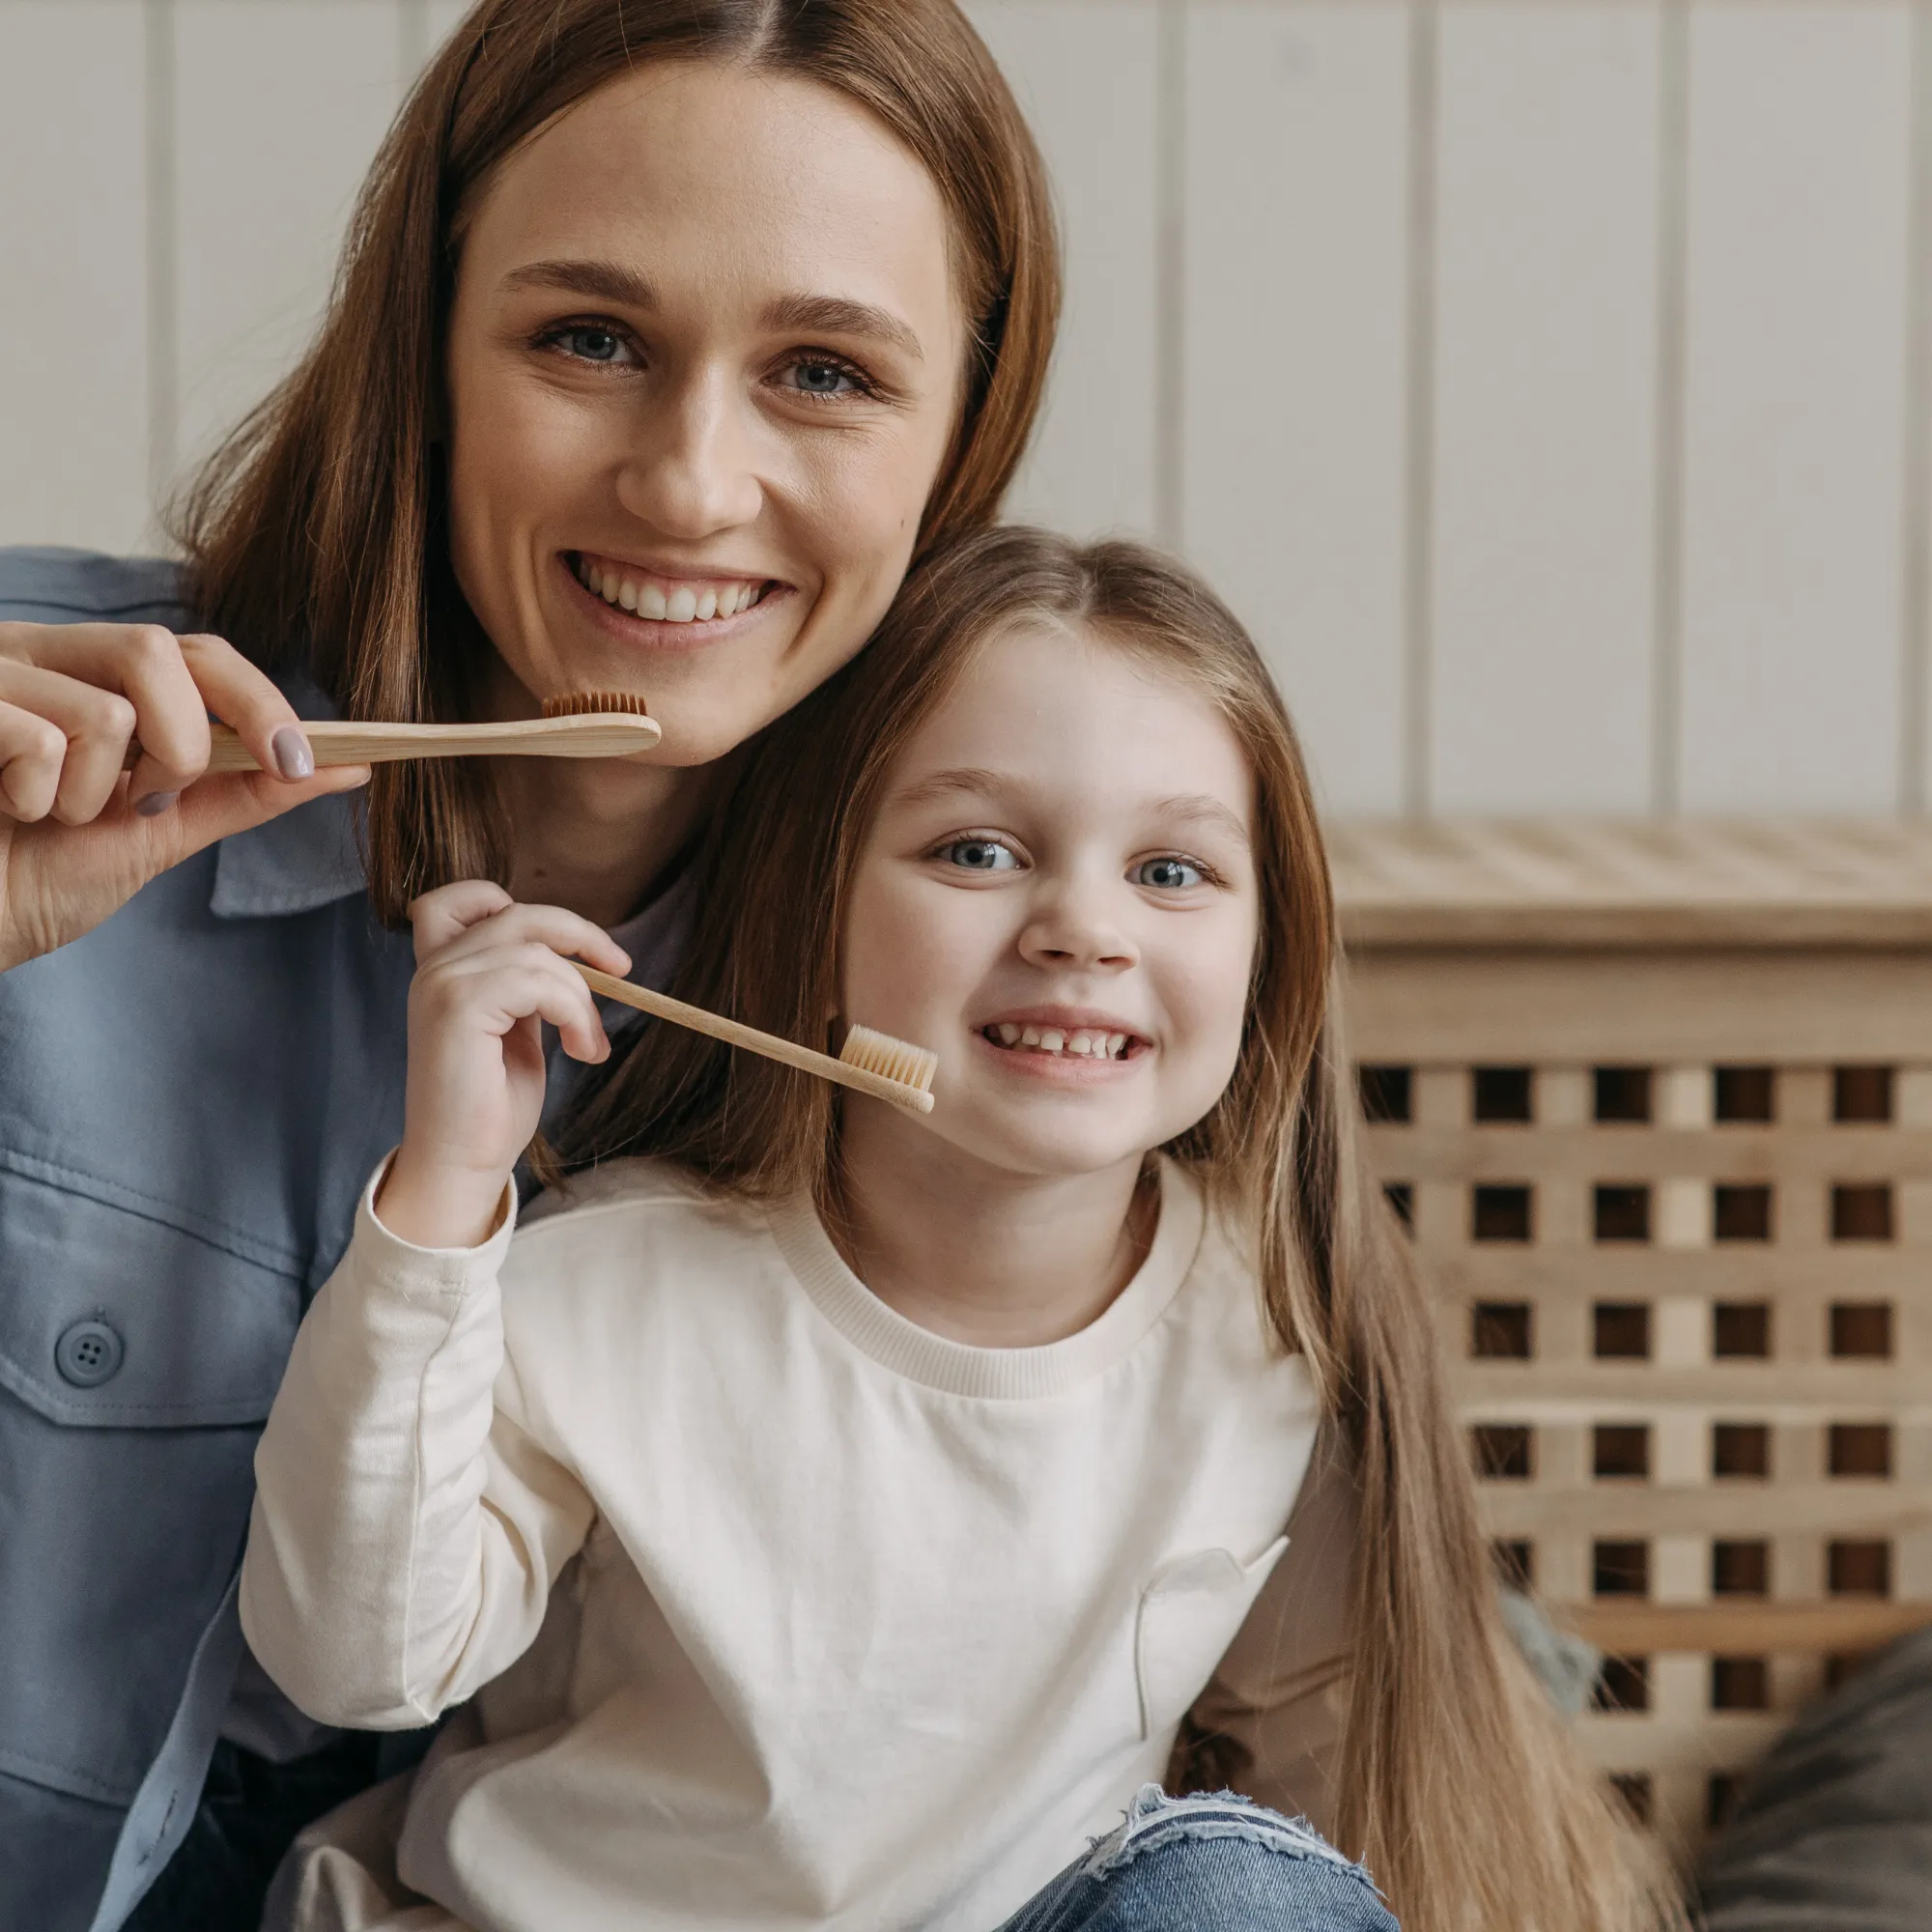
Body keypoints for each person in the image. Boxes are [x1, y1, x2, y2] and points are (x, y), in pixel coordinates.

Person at [0, 6, 1058, 1928]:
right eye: (589, 342)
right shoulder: (38, 742)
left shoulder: (993, 952)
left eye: (823, 371)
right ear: (425, 357)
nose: (686, 484)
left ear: (960, 436)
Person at [240, 527, 1673, 1931]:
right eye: (979, 850)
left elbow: (1323, 1746)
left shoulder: (1267, 1327)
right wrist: (444, 1197)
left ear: (1267, 949)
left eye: (1171, 874)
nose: (1083, 930)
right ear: (817, 898)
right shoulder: (607, 1289)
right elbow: (354, 1659)